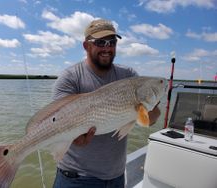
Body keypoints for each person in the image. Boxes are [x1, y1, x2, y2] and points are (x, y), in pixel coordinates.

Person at [52, 19, 160, 188]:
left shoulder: (129, 76)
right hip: (76, 178)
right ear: (86, 46)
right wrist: (74, 139)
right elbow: (57, 122)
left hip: (116, 177)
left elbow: (149, 120)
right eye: (100, 42)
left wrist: (153, 104)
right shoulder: (70, 77)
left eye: (112, 42)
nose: (107, 48)